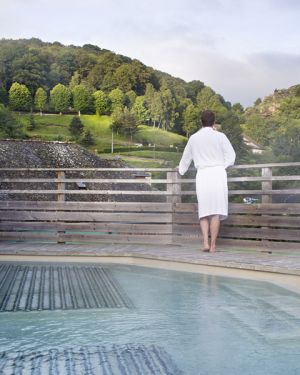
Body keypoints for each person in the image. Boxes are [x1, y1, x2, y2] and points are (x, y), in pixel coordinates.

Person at [178, 110, 236, 253]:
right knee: (215, 211)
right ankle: (214, 245)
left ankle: (205, 242)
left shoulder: (194, 138)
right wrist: (224, 165)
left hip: (203, 175)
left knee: (204, 211)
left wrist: (181, 170)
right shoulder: (220, 136)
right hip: (217, 174)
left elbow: (186, 158)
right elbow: (231, 155)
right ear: (214, 121)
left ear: (201, 121)